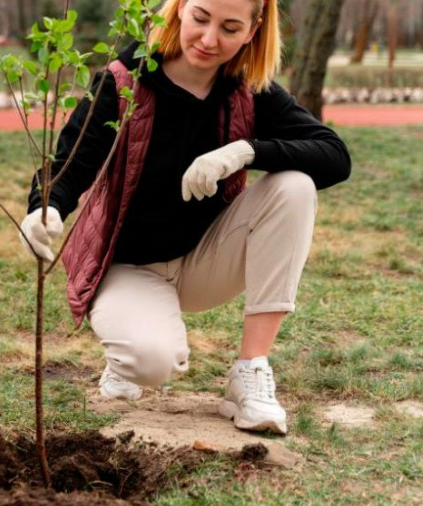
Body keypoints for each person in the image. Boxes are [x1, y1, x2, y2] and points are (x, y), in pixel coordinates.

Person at [19, 0, 351, 436]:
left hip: (205, 263)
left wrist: (245, 151)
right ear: (178, 9)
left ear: (252, 32)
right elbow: (69, 166)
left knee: (295, 185)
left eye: (230, 28)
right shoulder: (123, 81)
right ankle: (127, 357)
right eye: (200, 18)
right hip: (129, 268)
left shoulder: (248, 90)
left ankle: (250, 370)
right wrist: (44, 209)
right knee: (151, 363)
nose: (210, 40)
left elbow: (335, 156)